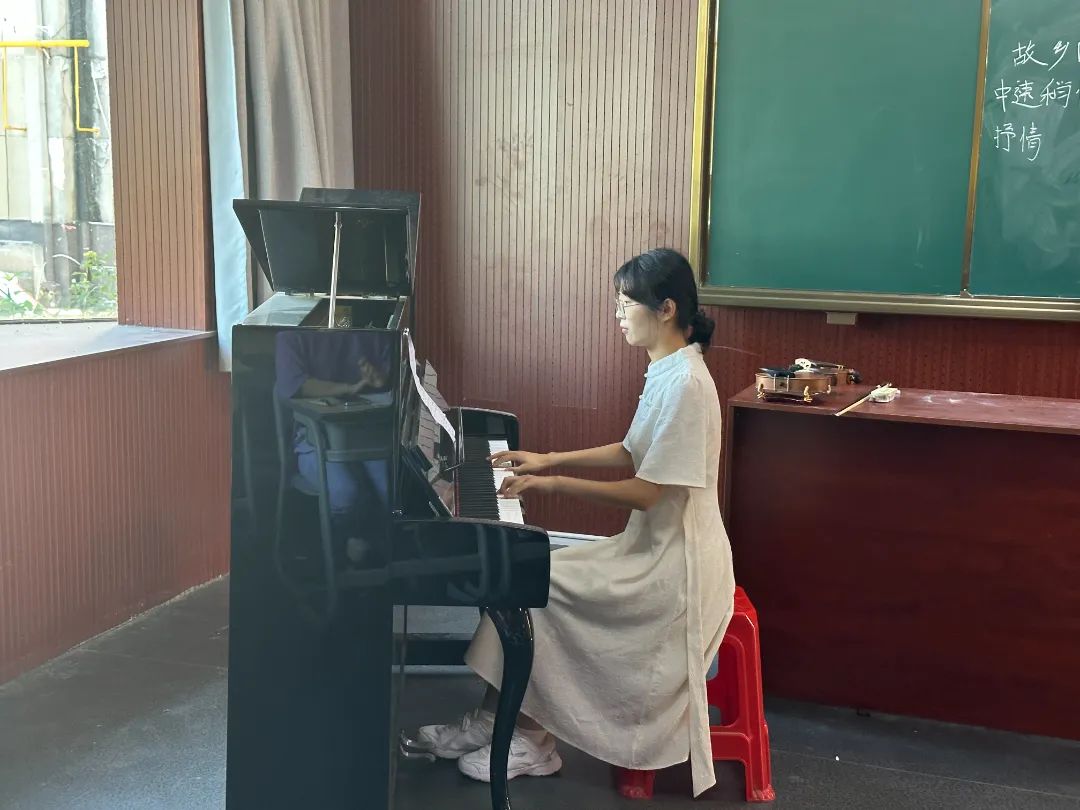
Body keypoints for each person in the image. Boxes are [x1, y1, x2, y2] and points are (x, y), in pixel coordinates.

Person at [418, 248, 736, 797]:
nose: (617, 314)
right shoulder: (668, 368)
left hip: (676, 566)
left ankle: (530, 740)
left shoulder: (687, 383)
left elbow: (646, 493)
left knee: (541, 589)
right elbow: (630, 450)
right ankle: (495, 719)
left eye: (626, 303)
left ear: (665, 309)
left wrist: (553, 484)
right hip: (651, 547)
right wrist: (547, 459)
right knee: (529, 578)